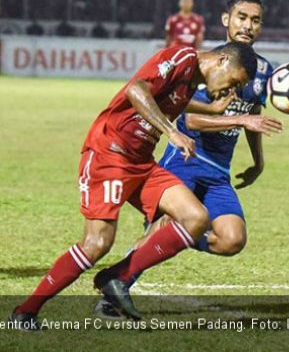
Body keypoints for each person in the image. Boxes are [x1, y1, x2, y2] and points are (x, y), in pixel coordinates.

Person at [10, 41, 258, 328]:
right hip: (109, 153)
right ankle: (25, 311)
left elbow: (175, 99)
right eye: (234, 81)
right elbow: (137, 89)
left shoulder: (192, 82)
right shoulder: (182, 57)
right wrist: (171, 132)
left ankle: (116, 276)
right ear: (222, 60)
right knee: (97, 243)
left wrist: (211, 109)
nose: (232, 90)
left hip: (141, 162)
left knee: (196, 217)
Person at [93, 0, 283, 319]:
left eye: (255, 20)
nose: (248, 25)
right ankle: (114, 291)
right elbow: (189, 118)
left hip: (219, 173)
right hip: (185, 160)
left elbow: (253, 116)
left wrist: (258, 161)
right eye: (242, 17)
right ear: (226, 20)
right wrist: (237, 117)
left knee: (232, 240)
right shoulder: (204, 63)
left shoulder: (261, 70)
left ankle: (178, 233)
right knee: (165, 223)